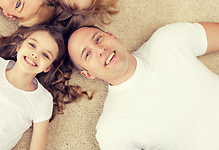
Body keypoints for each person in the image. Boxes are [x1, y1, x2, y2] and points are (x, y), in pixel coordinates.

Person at [67, 22, 219, 149]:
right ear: (88, 74)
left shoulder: (167, 39)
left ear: (112, 36)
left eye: (98, 39)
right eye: (87, 54)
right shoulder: (112, 128)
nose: (100, 50)